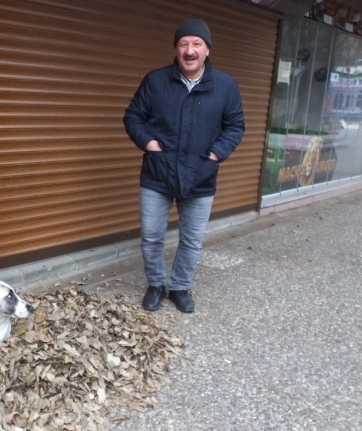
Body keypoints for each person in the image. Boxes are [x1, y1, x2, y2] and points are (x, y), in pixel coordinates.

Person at [123, 18, 245, 313]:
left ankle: (179, 287)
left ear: (207, 50)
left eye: (196, 44)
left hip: (200, 175)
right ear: (176, 49)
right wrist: (151, 146)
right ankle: (155, 284)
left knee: (191, 240)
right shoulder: (155, 80)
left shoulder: (226, 86)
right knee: (151, 235)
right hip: (158, 173)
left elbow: (235, 126)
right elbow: (133, 117)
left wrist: (215, 155)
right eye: (183, 44)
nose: (190, 50)